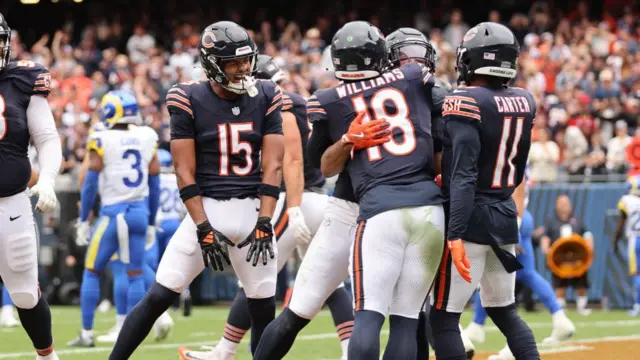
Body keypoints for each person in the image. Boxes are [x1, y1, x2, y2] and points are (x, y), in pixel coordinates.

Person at [109, 21, 284, 359]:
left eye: (246, 60)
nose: (243, 68)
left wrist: (265, 222)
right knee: (159, 297)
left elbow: (273, 165)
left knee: (263, 310)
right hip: (209, 210)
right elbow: (184, 170)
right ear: (212, 64)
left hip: (252, 212)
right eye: (232, 62)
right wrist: (204, 228)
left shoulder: (267, 93)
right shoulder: (188, 96)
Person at [178, 54, 345, 360]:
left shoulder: (273, 105)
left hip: (294, 199)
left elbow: (290, 162)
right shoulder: (298, 100)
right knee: (330, 280)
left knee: (255, 277)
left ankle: (225, 351)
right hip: (321, 198)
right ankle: (350, 350)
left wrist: (292, 208)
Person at [309, 21, 446, 360]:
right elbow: (444, 102)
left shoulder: (329, 99)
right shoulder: (414, 77)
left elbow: (321, 167)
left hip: (381, 212)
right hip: (429, 209)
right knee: (405, 319)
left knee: (369, 315)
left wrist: (347, 140)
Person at [430, 22, 539, 360]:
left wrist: (455, 231)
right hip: (504, 212)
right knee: (504, 310)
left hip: (472, 217)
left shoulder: (465, 99)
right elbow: (518, 168)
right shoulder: (525, 100)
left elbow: (463, 174)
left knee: (443, 319)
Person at [385, 26, 475, 360]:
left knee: (411, 304)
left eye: (418, 56)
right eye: (406, 56)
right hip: (435, 199)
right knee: (421, 301)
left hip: (408, 199)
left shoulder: (387, 95)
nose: (413, 63)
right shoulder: (440, 92)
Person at [68, 90, 160, 347]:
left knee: (92, 271)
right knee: (135, 273)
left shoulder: (101, 138)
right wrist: (151, 221)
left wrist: (84, 218)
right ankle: (131, 333)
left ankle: (87, 333)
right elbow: (153, 182)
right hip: (140, 213)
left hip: (113, 213)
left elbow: (89, 183)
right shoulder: (147, 136)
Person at [0, 13, 62, 360]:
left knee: (24, 294)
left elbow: (48, 139)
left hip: (10, 204)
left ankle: (47, 356)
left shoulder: (22, 80)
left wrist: (49, 179)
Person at [540, 193, 593, 315]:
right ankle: (560, 308)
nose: (564, 206)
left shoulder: (578, 220)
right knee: (560, 285)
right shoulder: (551, 221)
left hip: (577, 258)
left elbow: (587, 234)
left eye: (566, 203)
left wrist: (589, 248)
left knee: (581, 283)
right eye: (561, 203)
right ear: (557, 205)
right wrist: (546, 250)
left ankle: (581, 307)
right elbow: (545, 238)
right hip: (559, 259)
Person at [154, 148, 191, 317]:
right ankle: (185, 292)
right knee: (180, 264)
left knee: (159, 265)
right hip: (175, 222)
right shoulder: (177, 178)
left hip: (158, 224)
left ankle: (160, 301)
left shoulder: (155, 179)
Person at [613, 175, 640, 316]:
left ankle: (638, 305)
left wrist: (615, 241)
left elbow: (621, 223)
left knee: (637, 274)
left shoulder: (627, 201)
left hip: (635, 240)